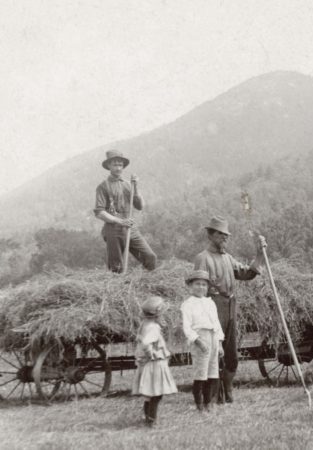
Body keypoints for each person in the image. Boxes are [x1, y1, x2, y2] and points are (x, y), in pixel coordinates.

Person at [193, 216, 265, 403]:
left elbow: (247, 274)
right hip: (212, 307)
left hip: (230, 306)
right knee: (214, 350)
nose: (225, 238)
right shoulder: (203, 258)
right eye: (220, 234)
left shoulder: (228, 258)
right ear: (210, 235)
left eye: (226, 235)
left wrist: (259, 254)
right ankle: (214, 394)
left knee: (231, 352)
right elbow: (199, 288)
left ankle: (228, 388)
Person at [94, 150, 157, 273]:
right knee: (116, 268)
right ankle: (117, 290)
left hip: (131, 229)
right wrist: (120, 221)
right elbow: (100, 212)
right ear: (108, 166)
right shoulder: (103, 186)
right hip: (113, 230)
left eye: (120, 165)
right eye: (115, 165)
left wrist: (136, 187)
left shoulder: (128, 185)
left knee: (150, 257)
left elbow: (140, 206)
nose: (118, 168)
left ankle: (147, 286)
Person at [181, 270, 224, 412]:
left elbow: (216, 323)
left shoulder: (210, 303)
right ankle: (199, 404)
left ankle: (209, 402)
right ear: (190, 286)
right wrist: (198, 341)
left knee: (212, 371)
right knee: (201, 373)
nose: (201, 287)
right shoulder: (187, 304)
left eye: (204, 285)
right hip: (200, 338)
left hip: (212, 338)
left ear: (208, 287)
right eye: (197, 284)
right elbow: (187, 327)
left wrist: (219, 343)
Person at [131, 296, 178, 427]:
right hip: (154, 364)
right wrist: (151, 354)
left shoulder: (145, 324)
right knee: (156, 394)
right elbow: (146, 343)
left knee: (149, 393)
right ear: (157, 314)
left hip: (148, 364)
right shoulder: (153, 327)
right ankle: (152, 421)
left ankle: (148, 419)